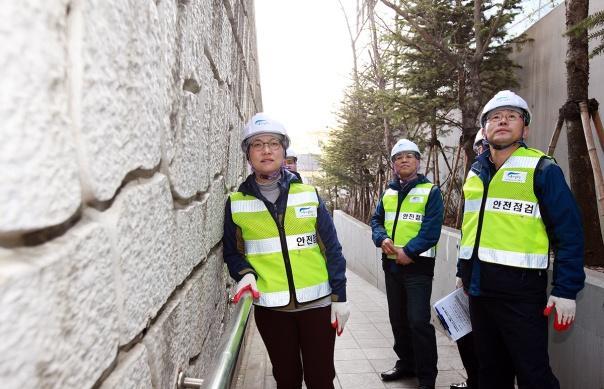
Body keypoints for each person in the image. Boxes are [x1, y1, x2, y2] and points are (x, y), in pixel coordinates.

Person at [457, 90, 585, 389]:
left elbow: (570, 232)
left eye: (511, 116)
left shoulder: (542, 168)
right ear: (485, 128)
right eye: (494, 117)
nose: (502, 121)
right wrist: (463, 272)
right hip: (478, 291)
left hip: (521, 294)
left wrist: (566, 289)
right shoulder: (476, 172)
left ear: (524, 128)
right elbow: (471, 227)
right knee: (490, 372)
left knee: (533, 374)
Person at [223, 113, 349, 389]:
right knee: (286, 378)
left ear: (283, 151)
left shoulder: (308, 193)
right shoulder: (236, 203)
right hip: (271, 309)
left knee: (321, 379)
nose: (266, 150)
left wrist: (340, 295)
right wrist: (244, 274)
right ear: (248, 154)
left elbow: (333, 249)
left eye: (273, 143)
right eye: (257, 144)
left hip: (318, 304)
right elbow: (233, 253)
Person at [371, 139, 444, 389]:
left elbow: (432, 229)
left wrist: (409, 251)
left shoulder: (431, 192)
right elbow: (376, 220)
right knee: (398, 320)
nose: (404, 160)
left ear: (418, 161)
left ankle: (426, 377)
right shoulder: (388, 193)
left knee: (418, 321)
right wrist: (382, 239)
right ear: (393, 165)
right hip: (391, 267)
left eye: (409, 156)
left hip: (418, 268)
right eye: (398, 157)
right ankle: (406, 364)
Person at [449, 131, 485, 389]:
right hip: (474, 278)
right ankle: (474, 381)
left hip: (514, 284)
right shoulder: (475, 178)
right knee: (466, 336)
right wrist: (463, 272)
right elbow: (468, 230)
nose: (484, 150)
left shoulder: (534, 171)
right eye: (480, 146)